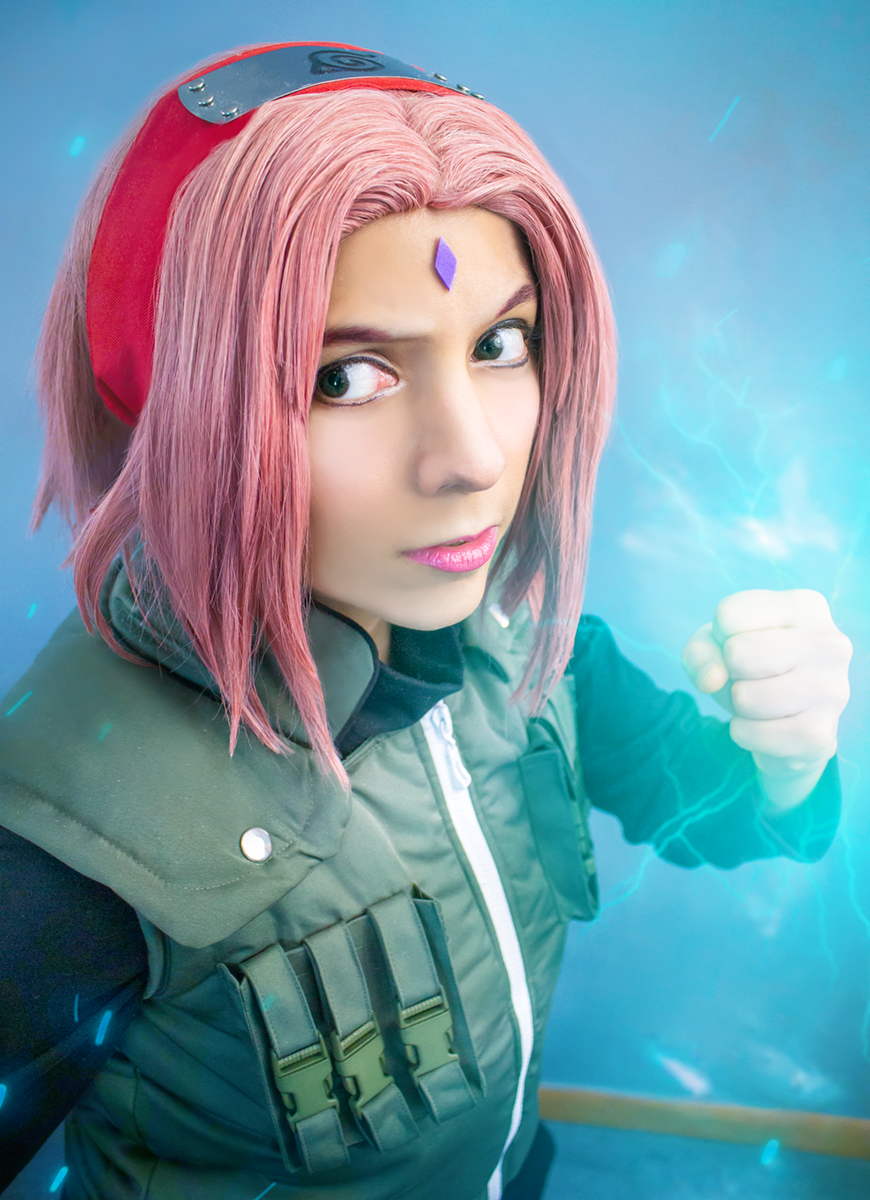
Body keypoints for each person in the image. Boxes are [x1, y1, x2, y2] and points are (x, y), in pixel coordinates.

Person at [0, 40, 851, 1200]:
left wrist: (788, 755)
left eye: (499, 345)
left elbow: (709, 809)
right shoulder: (64, 841)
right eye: (346, 376)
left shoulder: (524, 642)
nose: (474, 457)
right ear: (189, 413)